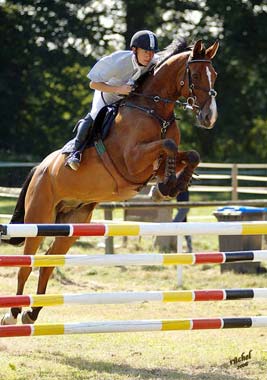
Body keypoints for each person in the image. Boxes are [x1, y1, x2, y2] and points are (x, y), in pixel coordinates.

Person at [66, 30, 159, 170]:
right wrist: (119, 89)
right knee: (95, 114)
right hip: (107, 95)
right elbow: (93, 83)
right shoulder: (118, 61)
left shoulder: (154, 61)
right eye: (146, 51)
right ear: (134, 49)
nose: (149, 56)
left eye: (152, 52)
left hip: (129, 99)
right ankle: (75, 152)